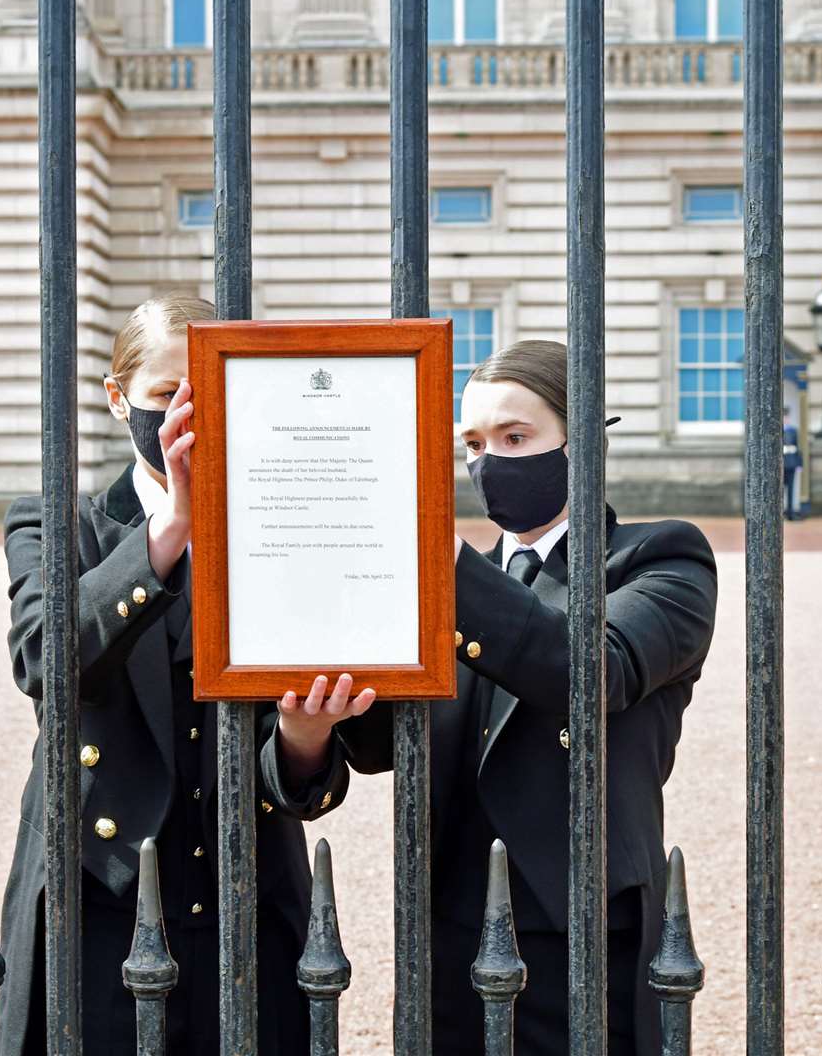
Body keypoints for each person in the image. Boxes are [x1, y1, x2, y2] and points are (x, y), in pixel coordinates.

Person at [271, 339, 718, 1056]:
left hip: (587, 925)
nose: (489, 463)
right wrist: (310, 728)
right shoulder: (448, 581)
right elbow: (381, 741)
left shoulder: (661, 558)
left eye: (516, 438)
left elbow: (590, 673)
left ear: (584, 442)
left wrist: (441, 561)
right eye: (473, 443)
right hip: (451, 926)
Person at [0, 293, 376, 1056]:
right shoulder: (57, 523)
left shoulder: (294, 524)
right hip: (97, 898)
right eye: (166, 395)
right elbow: (45, 660)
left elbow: (331, 750)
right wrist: (173, 527)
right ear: (117, 399)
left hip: (249, 903)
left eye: (208, 394)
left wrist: (304, 738)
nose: (185, 416)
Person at [783, 404, 803, 520]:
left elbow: (798, 448)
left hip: (791, 463)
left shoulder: (793, 430)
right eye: (784, 417)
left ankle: (790, 512)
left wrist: (799, 464)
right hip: (782, 463)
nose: (786, 419)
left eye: (787, 417)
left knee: (791, 489)